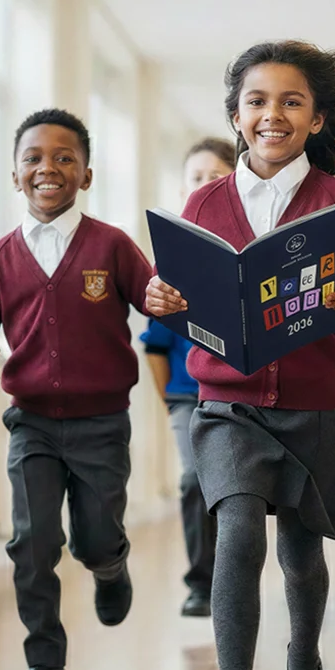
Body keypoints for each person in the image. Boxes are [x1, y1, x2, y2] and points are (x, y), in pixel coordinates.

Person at [144, 40, 335, 670]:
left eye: (292, 101)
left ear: (316, 119)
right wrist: (165, 301)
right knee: (238, 532)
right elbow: (182, 300)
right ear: (236, 115)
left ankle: (302, 668)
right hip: (226, 404)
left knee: (301, 553)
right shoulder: (205, 202)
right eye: (257, 101)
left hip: (309, 407)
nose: (272, 114)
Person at [0, 108, 153, 670]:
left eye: (65, 158)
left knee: (94, 539)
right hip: (32, 424)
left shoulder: (112, 245)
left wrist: (178, 302)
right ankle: (44, 665)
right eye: (34, 158)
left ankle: (110, 568)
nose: (48, 168)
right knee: (32, 544)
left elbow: (156, 301)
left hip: (102, 424)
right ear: (15, 175)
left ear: (86, 175)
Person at [140, 137, 237, 618]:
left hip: (241, 396)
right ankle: (202, 584)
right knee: (194, 480)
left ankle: (233, 578)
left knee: (236, 490)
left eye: (215, 176)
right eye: (195, 178)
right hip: (187, 396)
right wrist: (170, 401)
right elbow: (155, 346)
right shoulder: (172, 263)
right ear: (184, 190)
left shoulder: (247, 255)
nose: (204, 185)